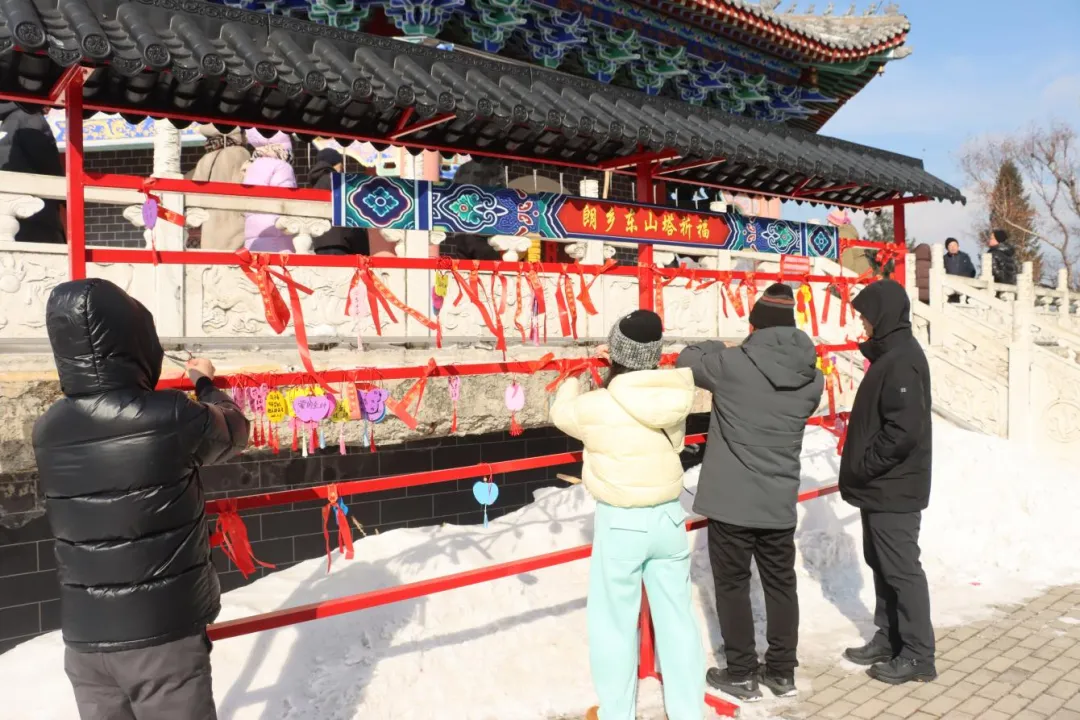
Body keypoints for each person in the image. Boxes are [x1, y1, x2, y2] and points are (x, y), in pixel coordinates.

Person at [32, 278, 250, 719]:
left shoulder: (48, 428)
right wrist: (204, 382)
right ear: (136, 344)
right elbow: (234, 429)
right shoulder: (169, 415)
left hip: (84, 639)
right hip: (161, 636)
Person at [551, 310, 704, 720]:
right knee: (678, 621)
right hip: (668, 518)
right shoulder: (673, 394)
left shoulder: (597, 406)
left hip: (621, 522)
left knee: (614, 624)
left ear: (616, 353)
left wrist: (574, 378)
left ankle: (617, 713)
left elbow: (561, 413)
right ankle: (689, 712)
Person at [677, 283, 824, 701]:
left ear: (754, 325)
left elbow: (687, 359)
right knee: (781, 585)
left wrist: (718, 345)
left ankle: (741, 672)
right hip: (778, 500)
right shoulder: (812, 379)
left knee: (732, 585)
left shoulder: (733, 363)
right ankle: (781, 672)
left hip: (732, 501)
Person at [838, 279, 935, 685]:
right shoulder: (891, 354)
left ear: (883, 316)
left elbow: (903, 430)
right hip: (880, 486)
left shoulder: (902, 360)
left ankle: (917, 654)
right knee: (881, 564)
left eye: (866, 315)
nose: (863, 322)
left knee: (901, 570)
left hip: (894, 485)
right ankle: (889, 636)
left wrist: (865, 464)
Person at [0, 102, 65, 243]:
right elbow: (44, 157)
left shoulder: (7, 121)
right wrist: (64, 192)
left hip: (9, 205)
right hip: (34, 207)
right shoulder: (29, 116)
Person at [187, 125, 249, 251]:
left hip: (209, 224)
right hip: (234, 220)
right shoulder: (240, 153)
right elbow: (245, 187)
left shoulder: (205, 159)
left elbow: (194, 193)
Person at [243, 129, 298, 252]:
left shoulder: (252, 165)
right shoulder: (281, 165)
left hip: (254, 229)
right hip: (276, 228)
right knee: (279, 262)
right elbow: (286, 199)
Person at [308, 147, 370, 255]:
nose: (342, 168)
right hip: (340, 243)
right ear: (336, 163)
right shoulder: (335, 181)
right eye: (341, 164)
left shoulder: (317, 183)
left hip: (320, 242)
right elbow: (351, 210)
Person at [441, 160, 502, 261]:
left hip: (461, 230)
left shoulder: (463, 168)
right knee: (491, 268)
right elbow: (502, 194)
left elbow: (453, 194)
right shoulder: (494, 167)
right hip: (482, 230)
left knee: (464, 268)